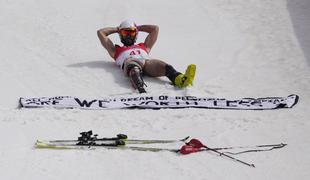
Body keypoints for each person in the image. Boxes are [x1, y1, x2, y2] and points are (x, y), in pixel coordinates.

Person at [97, 19, 196, 93]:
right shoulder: (116, 50)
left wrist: (137, 27)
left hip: (147, 63)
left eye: (131, 32)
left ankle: (180, 80)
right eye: (125, 32)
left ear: (135, 34)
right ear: (120, 34)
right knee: (132, 65)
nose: (128, 35)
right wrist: (117, 29)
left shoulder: (144, 46)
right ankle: (140, 88)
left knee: (163, 65)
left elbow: (155, 29)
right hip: (131, 63)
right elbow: (101, 32)